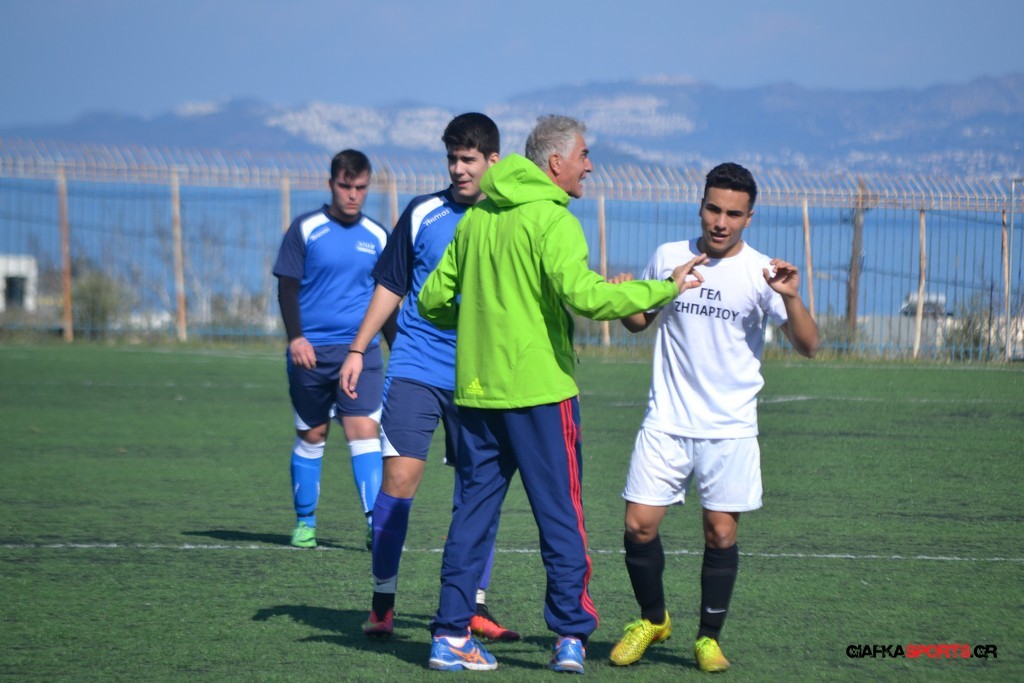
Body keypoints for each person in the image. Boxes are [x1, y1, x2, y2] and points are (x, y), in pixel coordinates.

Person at [417, 114, 707, 673]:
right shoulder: (553, 219)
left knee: (471, 517)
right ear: (556, 162)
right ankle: (570, 637)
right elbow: (588, 297)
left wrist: (481, 322)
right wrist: (664, 287)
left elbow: (432, 300)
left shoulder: (476, 219)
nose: (589, 166)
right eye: (584, 155)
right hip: (541, 393)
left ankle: (449, 634)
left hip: (477, 393)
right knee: (560, 516)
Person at [608, 162, 819, 673]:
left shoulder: (764, 272)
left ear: (749, 217)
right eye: (713, 209)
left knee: (721, 534)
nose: (720, 222)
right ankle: (653, 620)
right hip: (667, 419)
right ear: (700, 206)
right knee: (638, 526)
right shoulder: (669, 256)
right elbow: (639, 322)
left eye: (733, 214)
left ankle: (708, 638)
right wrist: (622, 297)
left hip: (730, 428)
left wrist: (791, 298)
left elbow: (810, 345)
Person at [339, 113, 520, 642]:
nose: (458, 169)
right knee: (399, 482)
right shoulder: (423, 212)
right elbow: (391, 286)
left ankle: (473, 605)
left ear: (493, 161)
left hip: (481, 376)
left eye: (469, 159)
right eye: (452, 159)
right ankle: (383, 602)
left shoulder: (510, 217)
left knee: (478, 492)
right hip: (416, 365)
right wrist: (358, 348)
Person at [272, 149, 393, 551]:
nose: (353, 195)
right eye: (345, 186)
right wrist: (295, 338)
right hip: (310, 354)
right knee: (313, 435)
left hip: (360, 353)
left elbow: (387, 298)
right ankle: (305, 522)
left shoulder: (378, 236)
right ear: (331, 185)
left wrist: (398, 348)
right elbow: (287, 287)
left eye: (360, 187)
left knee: (364, 432)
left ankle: (376, 525)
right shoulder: (305, 229)